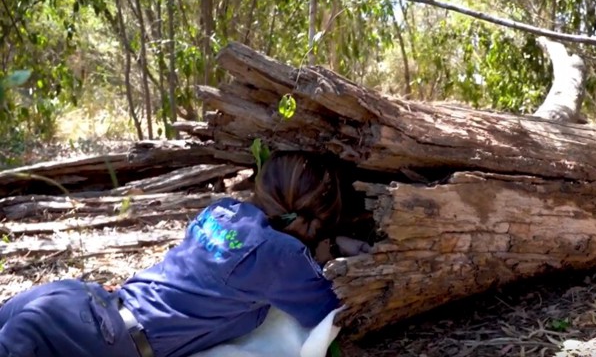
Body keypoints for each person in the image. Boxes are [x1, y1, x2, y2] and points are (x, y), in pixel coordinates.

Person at [0, 150, 369, 357]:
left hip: (77, 303)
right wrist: (331, 250)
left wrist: (326, 244)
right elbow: (333, 306)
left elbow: (229, 263)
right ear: (322, 215)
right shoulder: (282, 255)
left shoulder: (223, 210)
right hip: (100, 342)